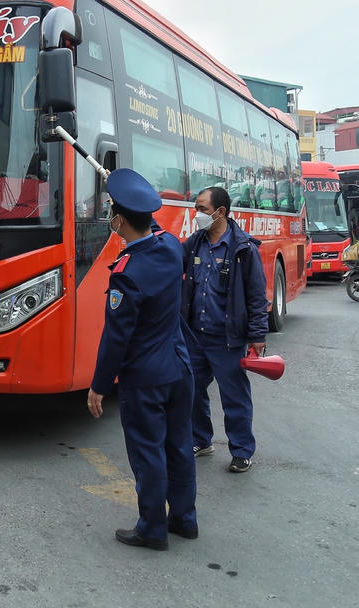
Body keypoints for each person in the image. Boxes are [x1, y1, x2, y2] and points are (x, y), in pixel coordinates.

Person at [86, 169, 196, 551]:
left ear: (118, 221)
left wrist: (99, 386)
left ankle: (151, 528)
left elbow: (116, 337)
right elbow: (156, 231)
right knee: (179, 446)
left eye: (112, 213)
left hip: (146, 378)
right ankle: (184, 519)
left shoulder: (127, 274)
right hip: (180, 367)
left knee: (148, 452)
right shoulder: (170, 248)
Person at [181, 186, 268, 475]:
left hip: (227, 339)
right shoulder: (195, 243)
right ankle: (200, 439)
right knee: (191, 390)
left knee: (234, 397)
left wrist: (257, 335)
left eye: (202, 209)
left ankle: (241, 451)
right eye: (196, 208)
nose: (197, 214)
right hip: (195, 336)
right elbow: (170, 260)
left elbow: (256, 295)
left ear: (221, 212)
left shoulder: (243, 249)